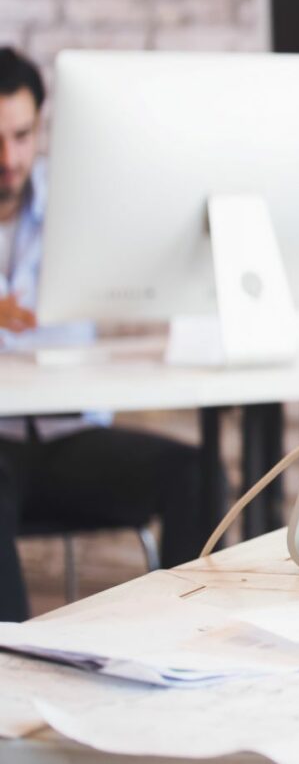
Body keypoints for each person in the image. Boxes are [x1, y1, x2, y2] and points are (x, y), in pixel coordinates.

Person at [0, 46, 205, 622]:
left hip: (75, 439)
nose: (8, 158)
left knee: (196, 473)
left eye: (20, 136)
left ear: (39, 126)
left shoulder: (79, 201)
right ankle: (14, 673)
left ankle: (183, 639)